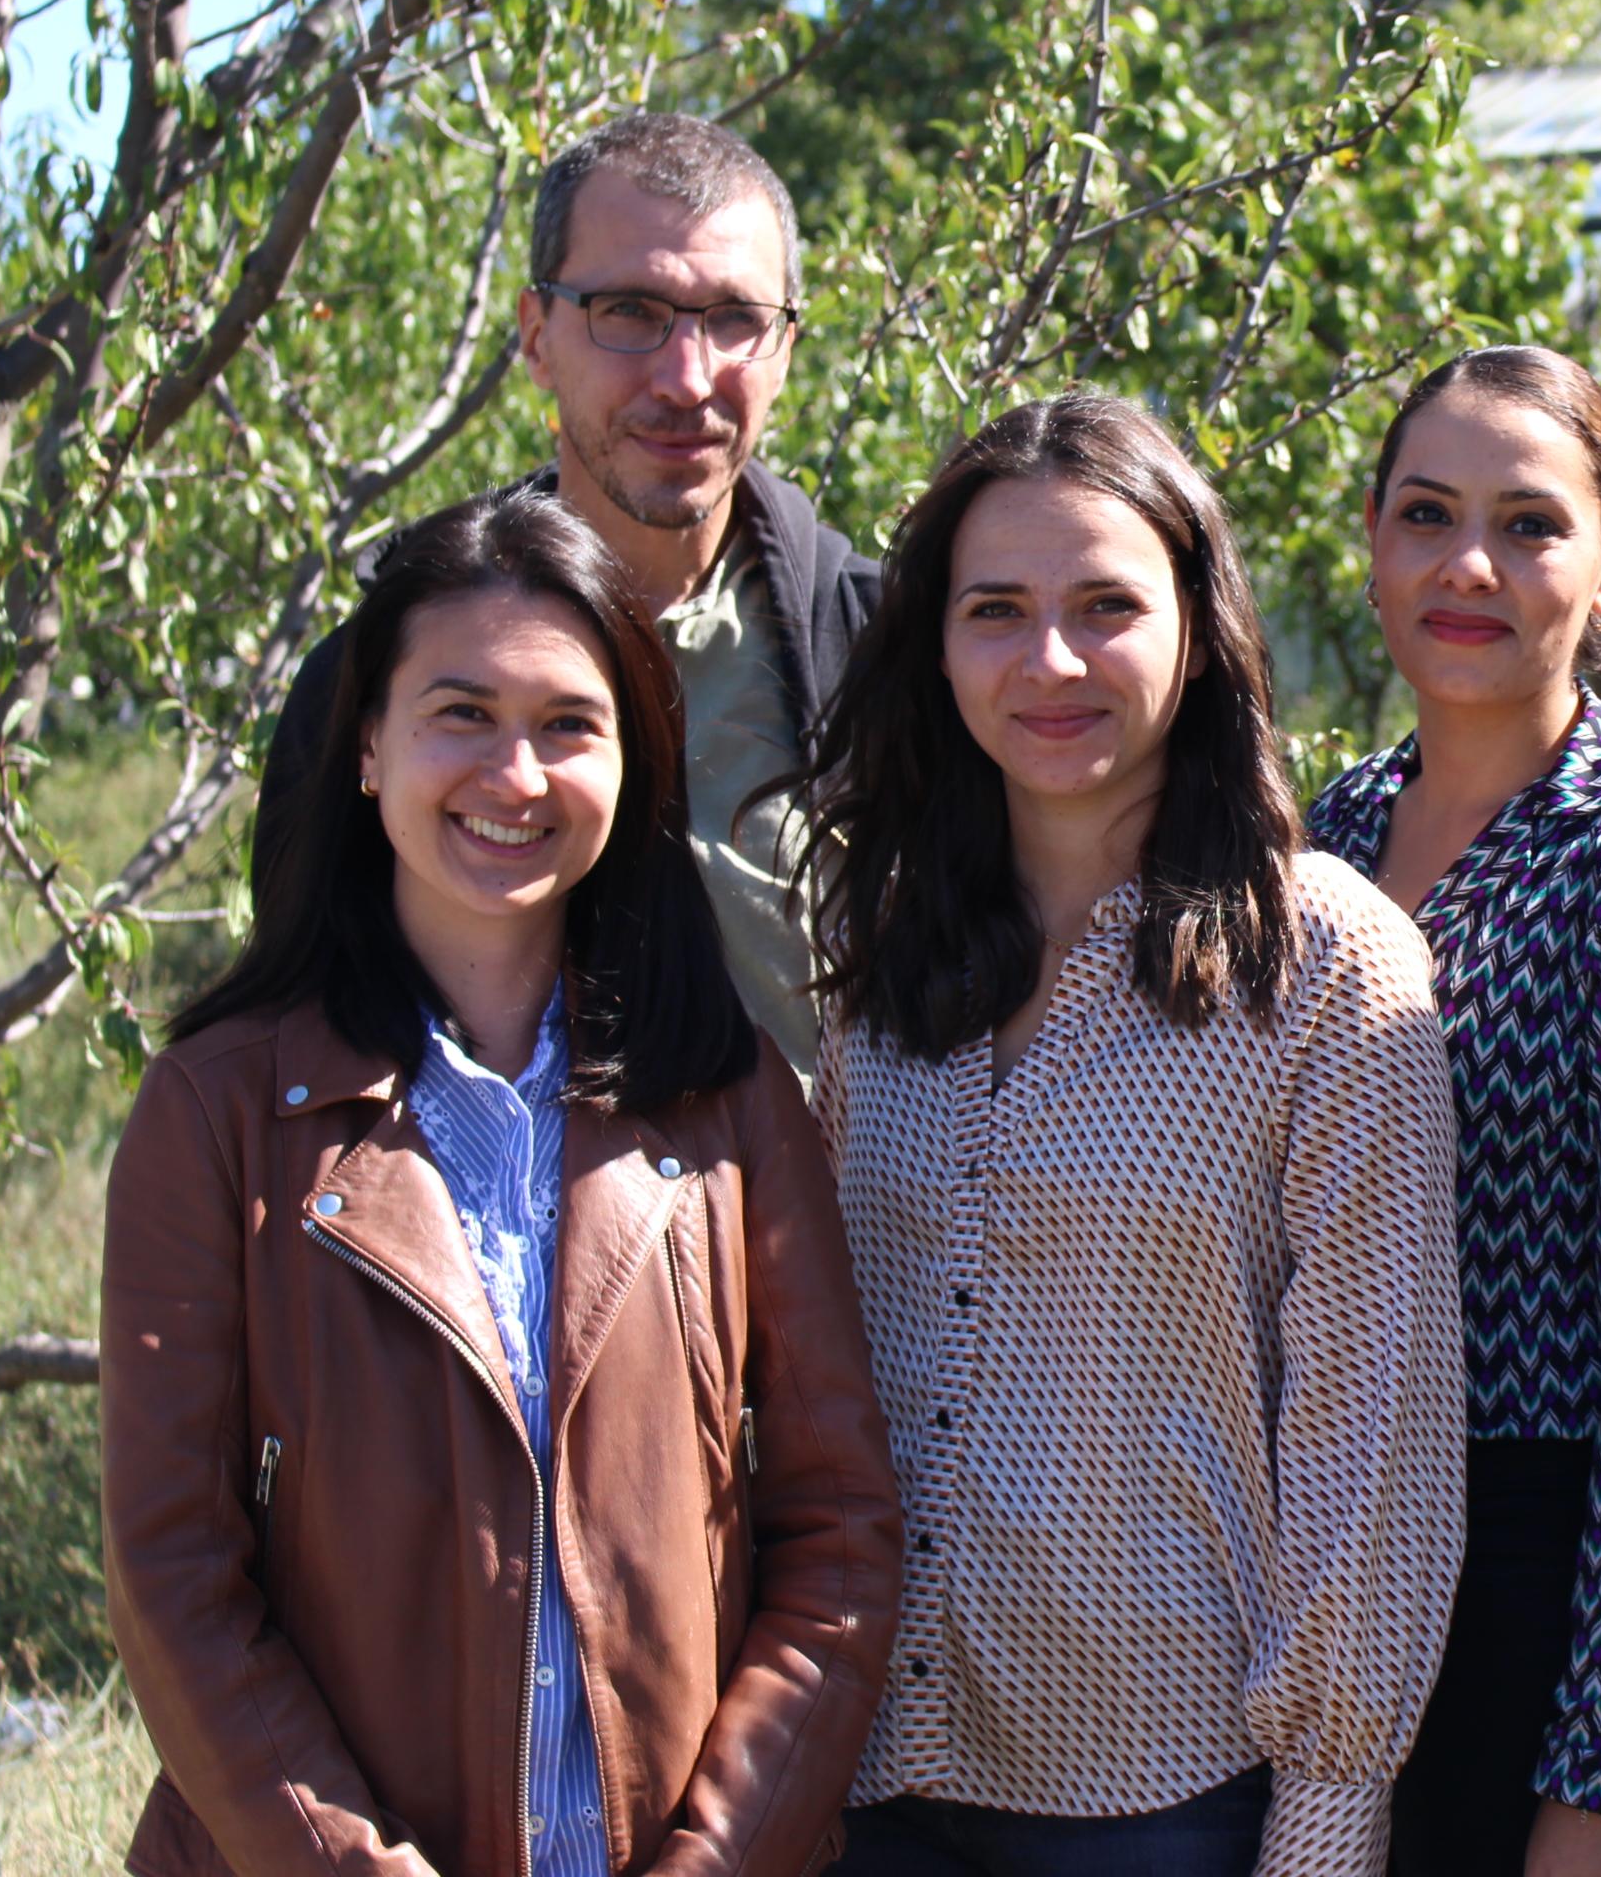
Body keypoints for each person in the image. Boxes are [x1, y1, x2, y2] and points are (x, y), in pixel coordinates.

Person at [103, 487, 902, 1877]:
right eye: (460, 714)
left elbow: (838, 1542)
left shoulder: (728, 1106)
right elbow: (174, 1580)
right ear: (369, 745)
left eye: (569, 726)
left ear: (636, 765)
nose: (514, 775)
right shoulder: (216, 1113)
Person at [795, 393, 1465, 1877]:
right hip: (862, 1772)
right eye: (996, 610)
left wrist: (1328, 1820)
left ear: (1198, 631)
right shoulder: (886, 943)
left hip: (1167, 1802)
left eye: (1107, 606)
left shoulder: (1327, 966)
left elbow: (1378, 1442)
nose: (1050, 661)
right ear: (936, 644)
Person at [1306, 348, 1601, 1877]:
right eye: (1428, 515)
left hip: (1531, 1576)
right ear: (1372, 535)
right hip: (1315, 1554)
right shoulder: (1325, 834)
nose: (1469, 566)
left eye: (1529, 525)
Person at [260, 109, 876, 1074]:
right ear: (537, 336)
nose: (687, 379)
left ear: (786, 347)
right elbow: (294, 1046)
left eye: (734, 319)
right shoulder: (379, 677)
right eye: (629, 311)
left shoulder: (887, 655)